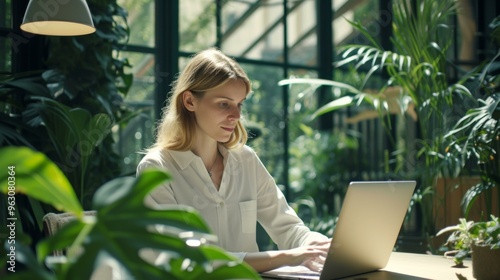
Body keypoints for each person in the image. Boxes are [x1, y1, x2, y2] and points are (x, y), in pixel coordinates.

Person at [136, 47, 330, 273]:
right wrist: (286, 257)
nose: (236, 116)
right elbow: (191, 261)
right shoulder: (155, 169)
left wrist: (318, 246)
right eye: (223, 104)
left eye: (239, 104)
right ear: (189, 101)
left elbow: (288, 227)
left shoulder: (245, 160)